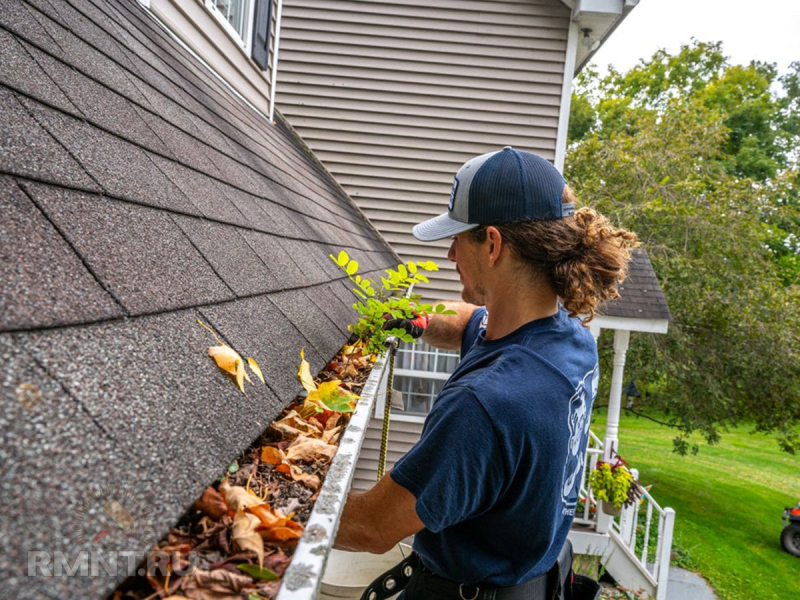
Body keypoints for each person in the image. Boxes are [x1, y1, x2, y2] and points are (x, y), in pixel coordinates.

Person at [334, 147, 637, 599]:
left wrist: (274, 508)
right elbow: (467, 323)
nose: (451, 252)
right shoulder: (568, 339)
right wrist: (413, 319)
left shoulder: (487, 404)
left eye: (459, 238)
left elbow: (370, 527)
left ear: (493, 244)